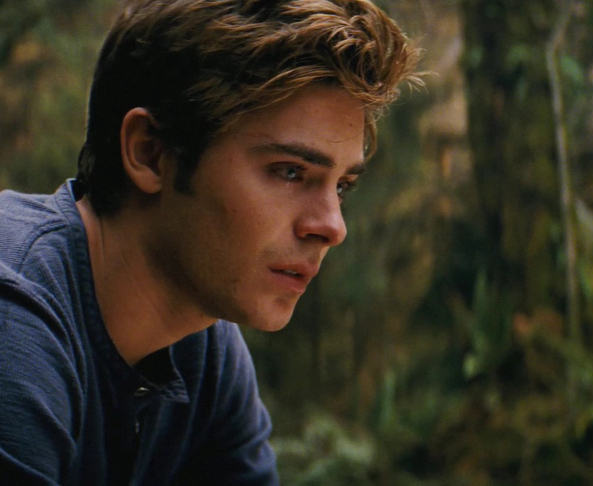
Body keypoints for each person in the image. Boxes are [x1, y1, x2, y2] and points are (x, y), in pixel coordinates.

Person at [0, 0, 420, 484]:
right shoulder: (15, 323)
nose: (333, 226)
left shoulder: (202, 349)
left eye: (342, 187)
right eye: (290, 172)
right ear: (150, 153)